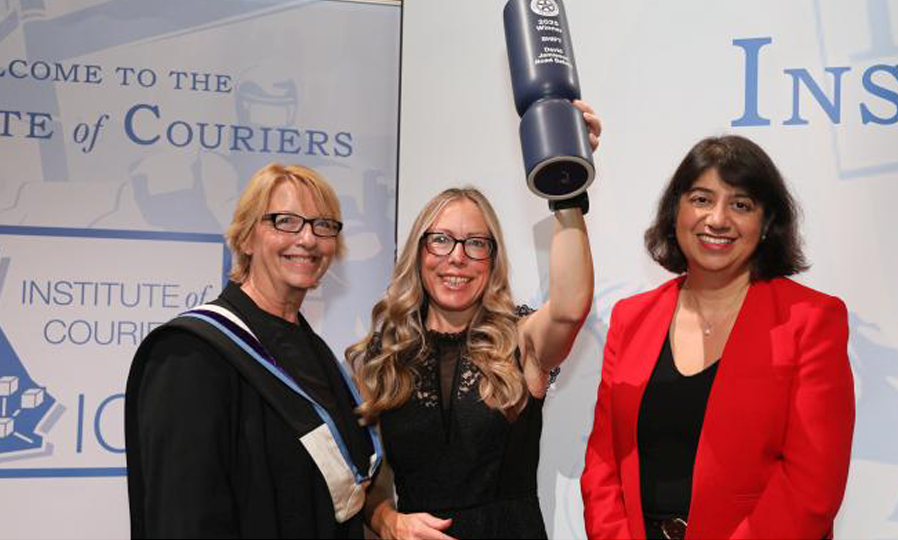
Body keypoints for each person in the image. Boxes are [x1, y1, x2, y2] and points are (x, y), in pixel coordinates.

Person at [580, 135, 855, 540]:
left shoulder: (812, 320)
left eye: (741, 204)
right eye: (702, 199)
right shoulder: (631, 318)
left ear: (766, 224)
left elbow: (812, 486)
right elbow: (604, 460)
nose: (718, 219)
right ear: (677, 211)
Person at [348, 103, 601, 540]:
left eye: (476, 244)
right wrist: (387, 521)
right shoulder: (384, 353)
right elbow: (365, 482)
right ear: (419, 251)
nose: (457, 258)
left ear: (493, 259)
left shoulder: (520, 339)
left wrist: (566, 185)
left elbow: (570, 307)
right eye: (442, 240)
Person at [125, 163, 381, 538]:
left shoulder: (316, 352)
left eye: (323, 225)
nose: (308, 239)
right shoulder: (191, 354)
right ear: (246, 238)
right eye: (285, 221)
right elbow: (181, 516)